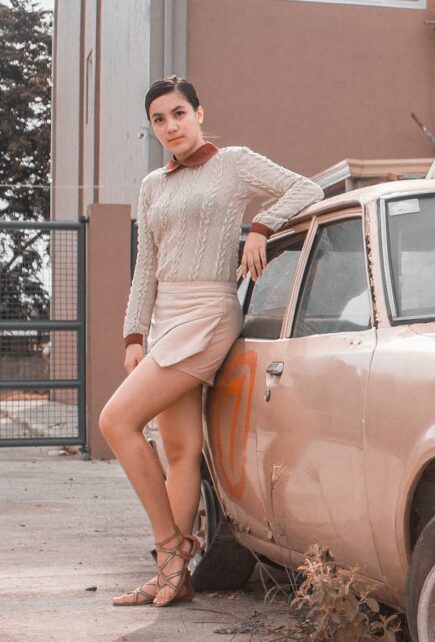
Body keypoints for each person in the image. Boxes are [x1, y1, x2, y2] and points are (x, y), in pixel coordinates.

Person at [101, 76, 323, 607]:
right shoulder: (153, 184)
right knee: (180, 451)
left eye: (179, 113)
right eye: (159, 120)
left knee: (115, 421)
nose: (171, 127)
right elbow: (146, 266)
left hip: (207, 313)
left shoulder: (235, 162)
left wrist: (261, 227)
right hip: (165, 317)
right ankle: (175, 578)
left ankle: (169, 550)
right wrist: (135, 333)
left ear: (199, 111)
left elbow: (307, 189)